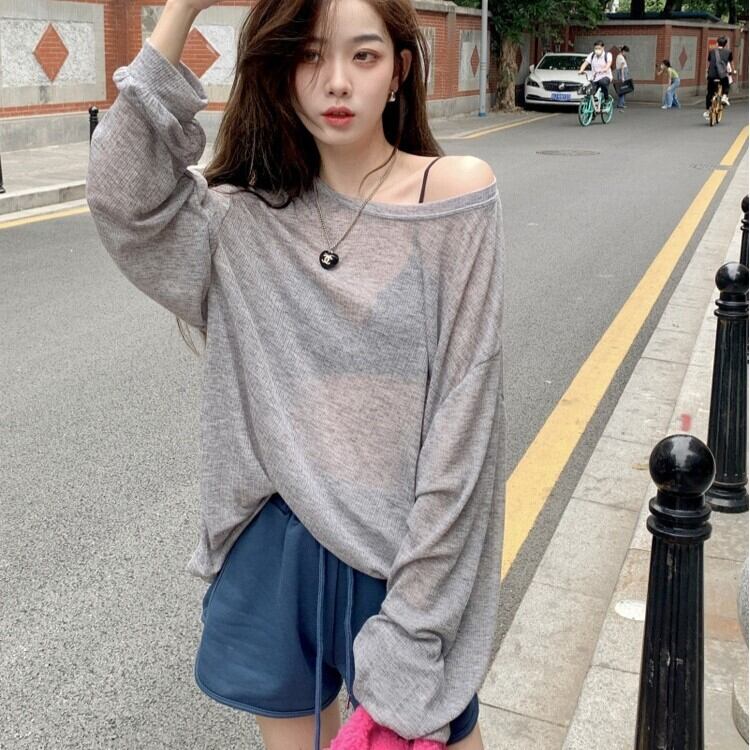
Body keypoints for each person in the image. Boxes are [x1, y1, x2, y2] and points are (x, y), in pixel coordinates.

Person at [85, 1, 505, 750]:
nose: (336, 81)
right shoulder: (240, 220)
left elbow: (465, 419)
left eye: (364, 56)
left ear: (400, 71)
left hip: (401, 558)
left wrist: (417, 619)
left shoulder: (452, 194)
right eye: (310, 56)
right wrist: (183, 9)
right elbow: (121, 194)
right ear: (280, 73)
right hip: (274, 548)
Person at [704, 35, 733, 119]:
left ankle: (708, 110)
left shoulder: (712, 51)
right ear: (725, 44)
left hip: (711, 75)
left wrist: (708, 72)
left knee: (709, 93)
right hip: (722, 75)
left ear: (717, 43)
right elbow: (730, 63)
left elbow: (709, 63)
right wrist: (733, 71)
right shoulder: (728, 52)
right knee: (726, 83)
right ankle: (724, 96)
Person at [578, 40, 614, 108]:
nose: (597, 50)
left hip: (605, 76)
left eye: (599, 48)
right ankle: (592, 109)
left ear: (603, 48)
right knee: (590, 92)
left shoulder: (608, 55)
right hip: (595, 78)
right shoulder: (592, 55)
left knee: (603, 83)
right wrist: (581, 70)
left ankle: (606, 99)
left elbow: (609, 63)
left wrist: (605, 69)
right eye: (596, 48)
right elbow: (585, 63)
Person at [615, 44, 630, 110]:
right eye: (626, 52)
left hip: (621, 73)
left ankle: (621, 103)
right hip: (622, 73)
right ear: (623, 51)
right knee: (623, 89)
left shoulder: (619, 56)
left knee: (622, 89)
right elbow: (622, 68)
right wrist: (623, 77)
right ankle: (621, 104)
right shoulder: (620, 57)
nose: (626, 53)